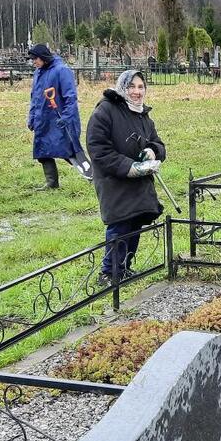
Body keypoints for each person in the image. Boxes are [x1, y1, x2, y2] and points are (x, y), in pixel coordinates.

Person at [86, 69, 166, 283]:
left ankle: (125, 267)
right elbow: (98, 149)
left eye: (141, 87)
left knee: (135, 222)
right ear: (122, 87)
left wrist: (152, 151)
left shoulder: (143, 116)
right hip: (115, 181)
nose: (136, 92)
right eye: (131, 87)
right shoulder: (105, 111)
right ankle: (109, 273)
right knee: (120, 224)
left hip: (139, 182)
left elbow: (158, 143)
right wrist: (130, 167)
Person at [26, 43, 83, 188]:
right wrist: (32, 117)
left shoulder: (62, 70)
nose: (34, 62)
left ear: (43, 57)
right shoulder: (38, 73)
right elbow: (35, 98)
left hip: (60, 119)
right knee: (42, 152)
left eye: (35, 59)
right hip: (43, 119)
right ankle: (52, 183)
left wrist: (66, 117)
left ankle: (94, 176)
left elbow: (70, 97)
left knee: (69, 152)